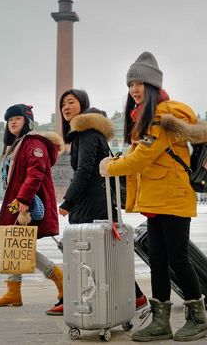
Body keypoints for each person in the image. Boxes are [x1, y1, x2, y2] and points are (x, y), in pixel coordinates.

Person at [100, 51, 207, 342]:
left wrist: (109, 166)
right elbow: (140, 156)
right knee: (159, 260)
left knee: (178, 258)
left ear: (152, 86)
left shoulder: (163, 117)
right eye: (130, 85)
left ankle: (197, 318)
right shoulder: (146, 117)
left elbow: (140, 159)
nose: (134, 90)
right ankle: (161, 321)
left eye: (139, 84)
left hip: (172, 197)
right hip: (157, 197)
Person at [57, 88, 148, 312]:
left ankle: (77, 301)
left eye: (71, 102)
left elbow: (85, 170)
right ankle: (134, 298)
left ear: (83, 105)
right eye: (63, 105)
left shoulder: (86, 133)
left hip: (93, 206)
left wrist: (68, 201)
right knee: (108, 256)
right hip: (99, 203)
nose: (66, 108)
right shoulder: (90, 133)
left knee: (85, 256)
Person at [0, 104, 66, 316]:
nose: (13, 122)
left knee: (21, 246)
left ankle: (61, 280)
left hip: (26, 204)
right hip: (15, 203)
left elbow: (36, 172)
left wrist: (24, 198)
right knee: (14, 244)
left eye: (17, 118)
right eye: (10, 119)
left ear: (27, 121)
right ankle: (13, 292)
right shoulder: (16, 145)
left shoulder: (32, 143)